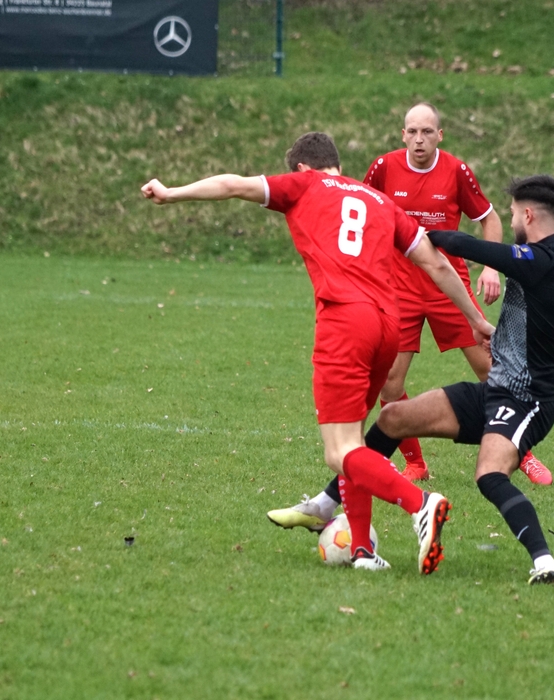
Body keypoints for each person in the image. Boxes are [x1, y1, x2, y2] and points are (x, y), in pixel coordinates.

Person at [142, 132, 494, 573]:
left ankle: (420, 503)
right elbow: (437, 263)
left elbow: (232, 184)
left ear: (303, 168)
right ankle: (363, 550)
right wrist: (476, 320)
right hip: (388, 325)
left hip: (345, 321)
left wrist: (171, 193)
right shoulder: (380, 201)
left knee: (338, 451)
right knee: (356, 443)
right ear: (338, 165)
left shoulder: (304, 184)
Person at [267, 103, 549, 534]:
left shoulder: (456, 171)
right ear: (403, 134)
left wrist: (491, 268)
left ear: (439, 135)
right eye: (412, 131)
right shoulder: (383, 168)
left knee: (490, 367)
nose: (419, 139)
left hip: (444, 284)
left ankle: (519, 449)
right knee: (390, 384)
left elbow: (489, 218)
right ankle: (414, 462)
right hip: (396, 289)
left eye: (427, 131)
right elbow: (354, 211)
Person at [365, 174, 554, 584]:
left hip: (527, 400)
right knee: (393, 417)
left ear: (528, 215)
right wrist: (517, 337)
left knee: (489, 474)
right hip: (495, 390)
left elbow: (466, 245)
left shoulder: (538, 259)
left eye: (512, 213)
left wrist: (411, 233)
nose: (511, 220)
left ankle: (547, 564)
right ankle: (325, 504)